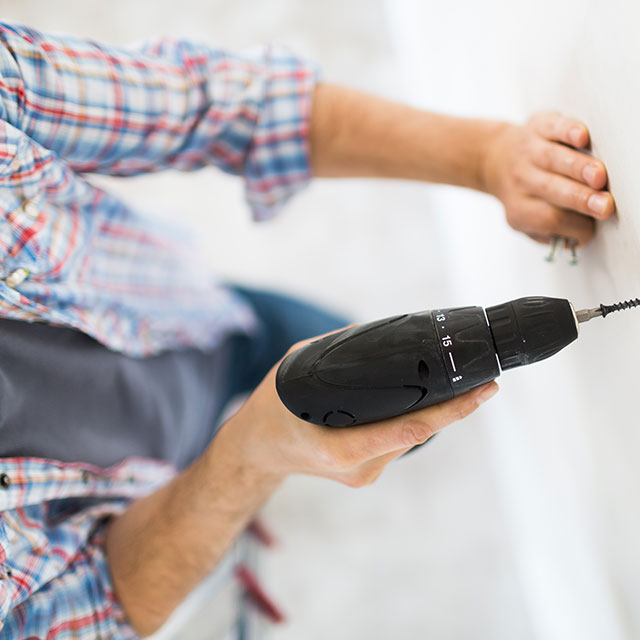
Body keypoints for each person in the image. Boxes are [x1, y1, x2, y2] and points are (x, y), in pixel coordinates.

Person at [0, 20, 615, 639]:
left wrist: (487, 157)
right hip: (133, 500)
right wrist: (244, 463)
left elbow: (221, 105)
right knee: (376, 422)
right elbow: (98, 604)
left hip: (192, 316)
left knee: (384, 406)